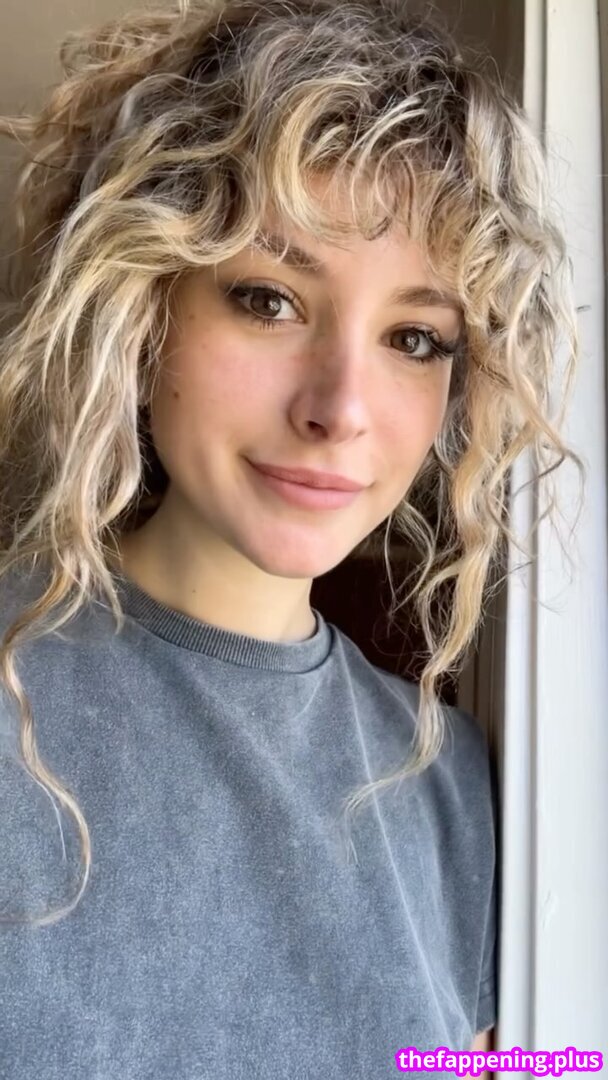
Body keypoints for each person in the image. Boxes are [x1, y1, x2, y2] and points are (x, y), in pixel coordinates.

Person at [0, 0, 585, 1077]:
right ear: (145, 305)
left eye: (414, 337)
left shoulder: (450, 786)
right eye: (268, 300)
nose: (340, 408)